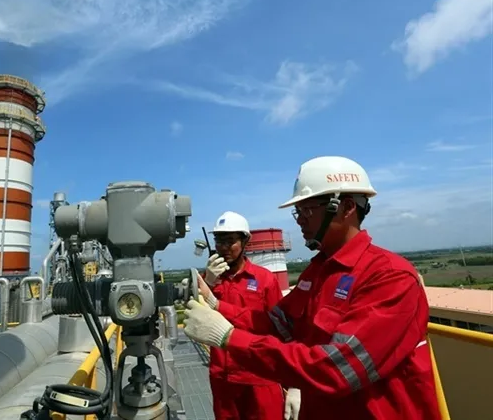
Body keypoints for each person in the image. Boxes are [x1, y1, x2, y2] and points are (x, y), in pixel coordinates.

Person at [184, 156, 441, 420]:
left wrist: (229, 337)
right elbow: (277, 324)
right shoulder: (318, 271)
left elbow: (337, 369)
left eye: (307, 210)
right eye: (298, 212)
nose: (299, 221)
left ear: (346, 207)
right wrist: (215, 305)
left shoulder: (389, 276)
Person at [197, 211, 297, 420]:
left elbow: (277, 327)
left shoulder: (265, 280)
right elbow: (196, 316)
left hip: (260, 378)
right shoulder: (209, 279)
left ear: (245, 241)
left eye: (230, 241)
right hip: (223, 380)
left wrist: (293, 384)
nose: (223, 247)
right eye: (219, 241)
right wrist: (208, 283)